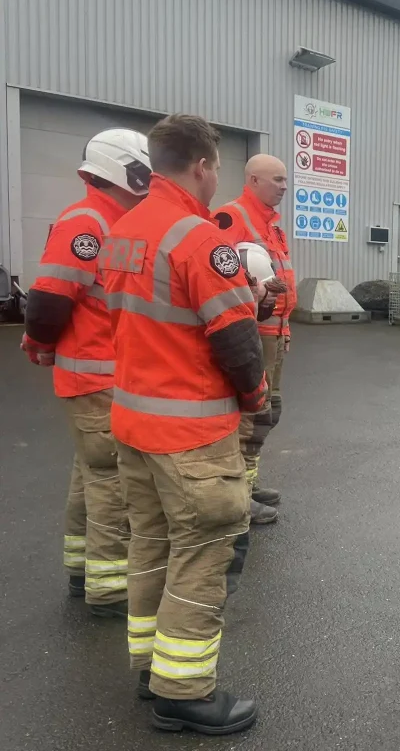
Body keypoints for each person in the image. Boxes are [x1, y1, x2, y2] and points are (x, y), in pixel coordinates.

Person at [101, 113, 268, 735]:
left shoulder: (124, 231)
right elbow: (236, 338)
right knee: (201, 554)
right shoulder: (199, 240)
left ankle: (151, 668)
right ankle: (185, 691)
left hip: (134, 426)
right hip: (192, 437)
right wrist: (255, 395)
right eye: (216, 169)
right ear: (201, 166)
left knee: (149, 548)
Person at [21, 128, 151, 615]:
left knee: (91, 474)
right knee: (112, 483)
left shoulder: (113, 221)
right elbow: (50, 298)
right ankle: (110, 590)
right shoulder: (88, 221)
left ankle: (82, 572)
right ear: (124, 170)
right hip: (97, 381)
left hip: (108, 379)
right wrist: (39, 343)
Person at [212, 155, 295, 523]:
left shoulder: (271, 224)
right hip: (252, 331)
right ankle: (238, 495)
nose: (283, 186)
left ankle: (249, 479)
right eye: (276, 179)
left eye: (285, 180)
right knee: (252, 414)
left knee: (267, 413)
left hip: (274, 332)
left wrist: (285, 329)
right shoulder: (232, 218)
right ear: (253, 179)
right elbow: (219, 273)